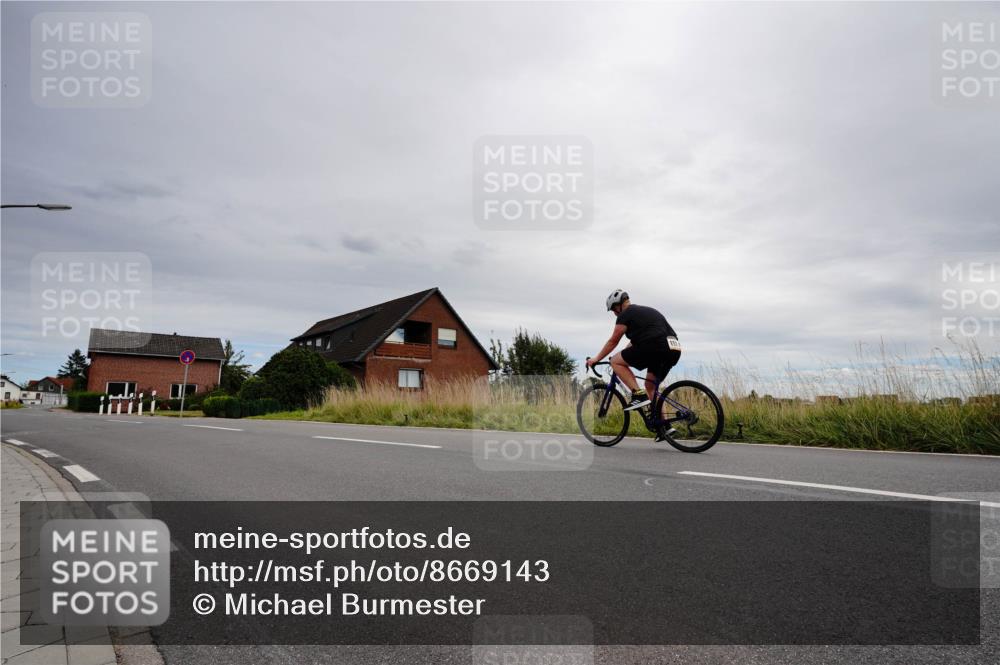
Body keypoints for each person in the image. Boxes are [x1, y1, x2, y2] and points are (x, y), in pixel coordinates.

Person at [586, 290, 682, 418]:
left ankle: (638, 395)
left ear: (618, 305)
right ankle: (664, 427)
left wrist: (596, 359)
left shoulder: (626, 314)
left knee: (614, 361)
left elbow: (613, 341)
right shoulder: (644, 312)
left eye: (613, 310)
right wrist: (622, 354)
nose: (614, 314)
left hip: (655, 346)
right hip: (673, 349)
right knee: (651, 387)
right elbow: (634, 343)